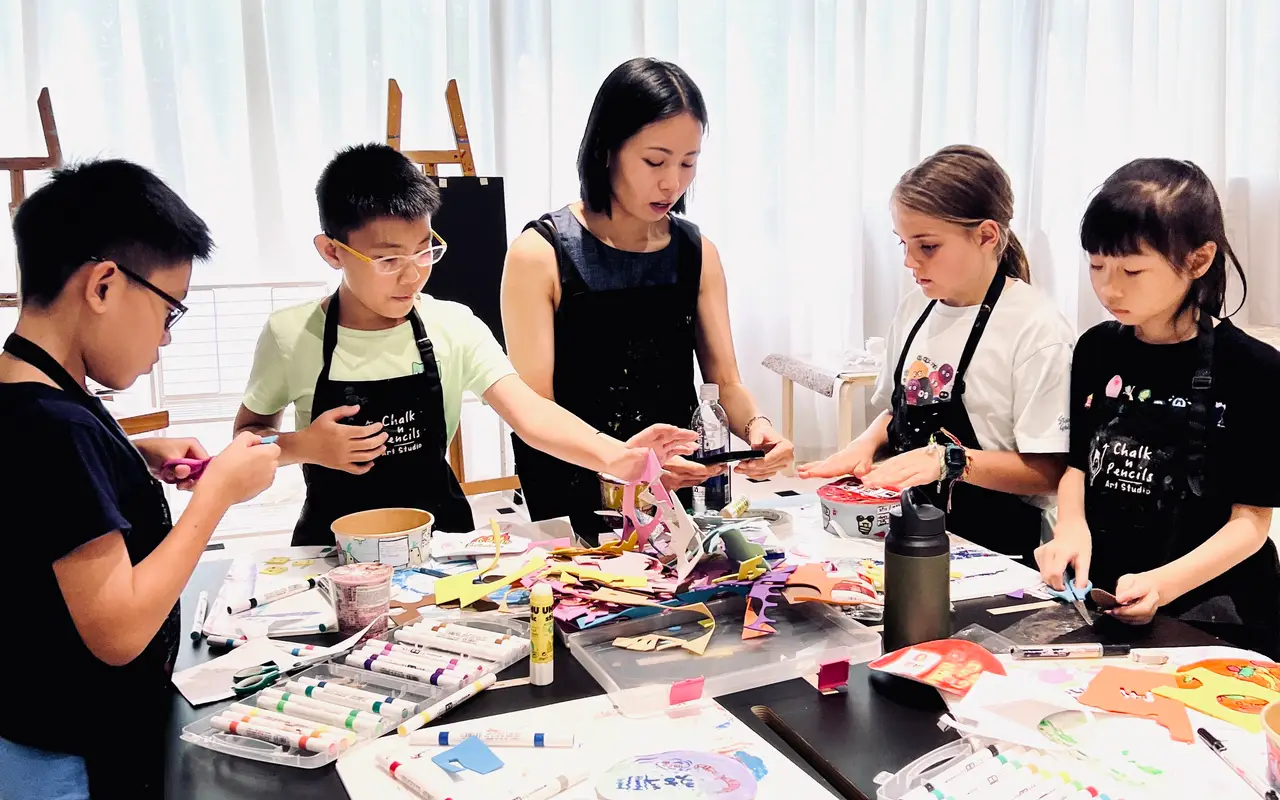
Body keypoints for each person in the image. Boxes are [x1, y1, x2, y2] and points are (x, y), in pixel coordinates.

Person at [235, 143, 696, 545]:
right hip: (332, 551)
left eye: (423, 250)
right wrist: (304, 445)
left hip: (440, 546)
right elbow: (248, 437)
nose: (413, 273)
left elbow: (529, 412)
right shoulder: (290, 334)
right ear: (332, 251)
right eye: (388, 259)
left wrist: (618, 456)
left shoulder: (451, 325)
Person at [0, 160, 280, 799]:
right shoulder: (53, 429)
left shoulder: (26, 392)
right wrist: (215, 498)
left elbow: (43, 495)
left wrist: (128, 453)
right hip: (69, 760)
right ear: (103, 285)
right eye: (168, 311)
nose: (165, 339)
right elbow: (119, 629)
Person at [501, 57, 794, 535]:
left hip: (674, 485)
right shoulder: (541, 254)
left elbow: (724, 380)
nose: (672, 183)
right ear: (607, 150)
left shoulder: (697, 252)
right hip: (573, 486)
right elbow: (535, 410)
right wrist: (620, 468)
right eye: (655, 161)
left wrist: (757, 427)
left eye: (688, 163)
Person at [1035, 159, 1280, 657]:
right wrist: (1072, 528)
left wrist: (1163, 584)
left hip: (1215, 610)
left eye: (1132, 270)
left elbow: (1251, 524)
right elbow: (1077, 464)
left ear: (1198, 260)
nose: (1109, 289)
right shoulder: (1095, 349)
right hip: (1107, 595)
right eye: (1097, 267)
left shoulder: (1256, 369)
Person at [800, 145, 1073, 563]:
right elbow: (900, 408)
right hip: (910, 533)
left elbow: (1050, 471)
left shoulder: (1035, 328)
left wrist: (949, 461)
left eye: (927, 246)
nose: (910, 262)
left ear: (986, 235)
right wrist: (865, 443)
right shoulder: (915, 308)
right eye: (903, 244)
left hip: (996, 552)